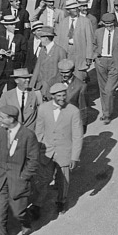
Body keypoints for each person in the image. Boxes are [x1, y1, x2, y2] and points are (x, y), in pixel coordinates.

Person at [0, 104, 39, 235]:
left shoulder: (28, 135)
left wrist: (24, 176)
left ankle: (25, 222)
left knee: (19, 212)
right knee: (0, 212)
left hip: (18, 179)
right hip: (2, 177)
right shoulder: (2, 132)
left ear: (11, 119)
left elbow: (33, 160)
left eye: (3, 117)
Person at [35, 83, 83, 214]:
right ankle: (37, 205)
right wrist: (39, 149)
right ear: (52, 96)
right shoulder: (43, 109)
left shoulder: (73, 111)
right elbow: (39, 131)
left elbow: (78, 136)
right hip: (47, 151)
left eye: (64, 95)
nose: (62, 98)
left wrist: (74, 157)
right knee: (44, 179)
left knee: (63, 181)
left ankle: (61, 201)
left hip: (64, 152)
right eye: (59, 96)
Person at [94, 13, 118, 125]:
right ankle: (105, 112)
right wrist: (96, 56)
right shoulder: (98, 32)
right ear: (103, 23)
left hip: (115, 63)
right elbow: (94, 44)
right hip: (101, 62)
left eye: (110, 24)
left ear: (114, 22)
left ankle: (107, 114)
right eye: (106, 24)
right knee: (103, 89)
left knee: (109, 90)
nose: (108, 26)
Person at [53, 0, 95, 84]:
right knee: (66, 74)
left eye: (76, 8)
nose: (75, 10)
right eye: (72, 8)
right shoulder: (63, 22)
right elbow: (57, 39)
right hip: (66, 50)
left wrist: (89, 57)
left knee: (79, 76)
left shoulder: (85, 21)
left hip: (80, 51)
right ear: (68, 10)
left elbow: (90, 40)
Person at [45, 60, 89, 131]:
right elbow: (47, 99)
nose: (64, 75)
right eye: (61, 72)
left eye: (67, 72)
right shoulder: (52, 81)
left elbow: (83, 107)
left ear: (73, 70)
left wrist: (83, 125)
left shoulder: (81, 86)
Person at [29, 26, 67, 95]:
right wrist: (31, 86)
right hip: (41, 87)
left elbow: (63, 72)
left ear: (46, 38)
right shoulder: (42, 50)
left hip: (53, 88)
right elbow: (37, 69)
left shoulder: (60, 51)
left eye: (41, 38)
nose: (40, 40)